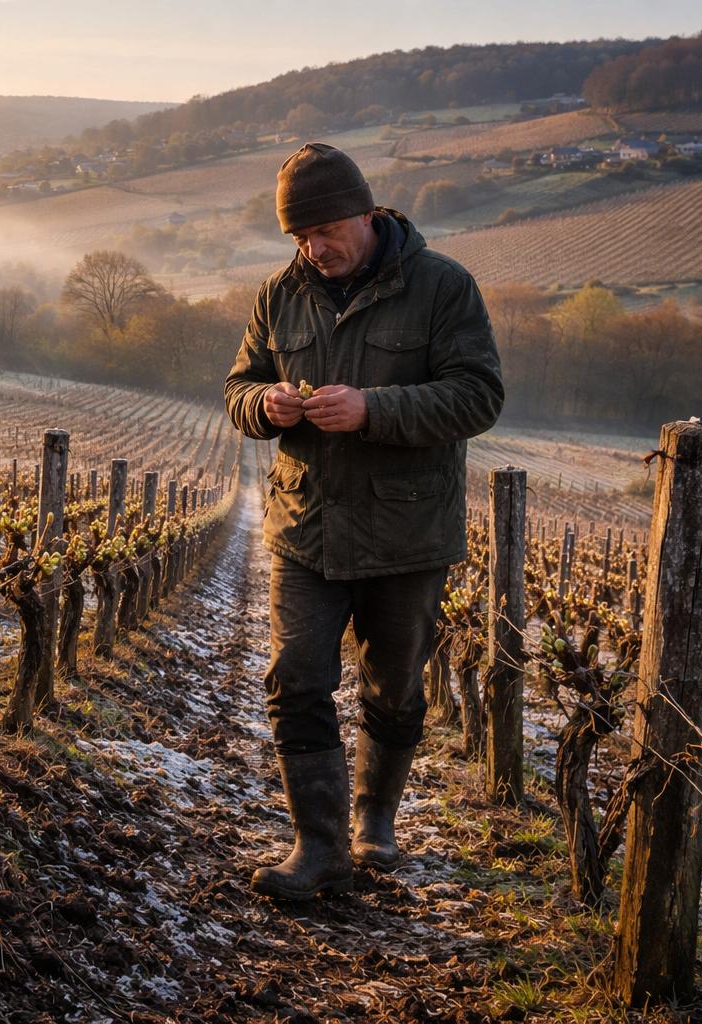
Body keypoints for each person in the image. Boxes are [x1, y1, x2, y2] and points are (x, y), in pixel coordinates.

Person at [223, 143, 504, 901]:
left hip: (407, 535)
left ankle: (375, 819)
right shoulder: (279, 294)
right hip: (305, 527)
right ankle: (318, 848)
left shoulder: (443, 286)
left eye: (325, 230)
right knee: (295, 679)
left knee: (393, 688)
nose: (314, 248)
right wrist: (265, 406)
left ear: (366, 212)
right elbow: (239, 387)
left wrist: (372, 410)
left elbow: (478, 395)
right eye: (299, 236)